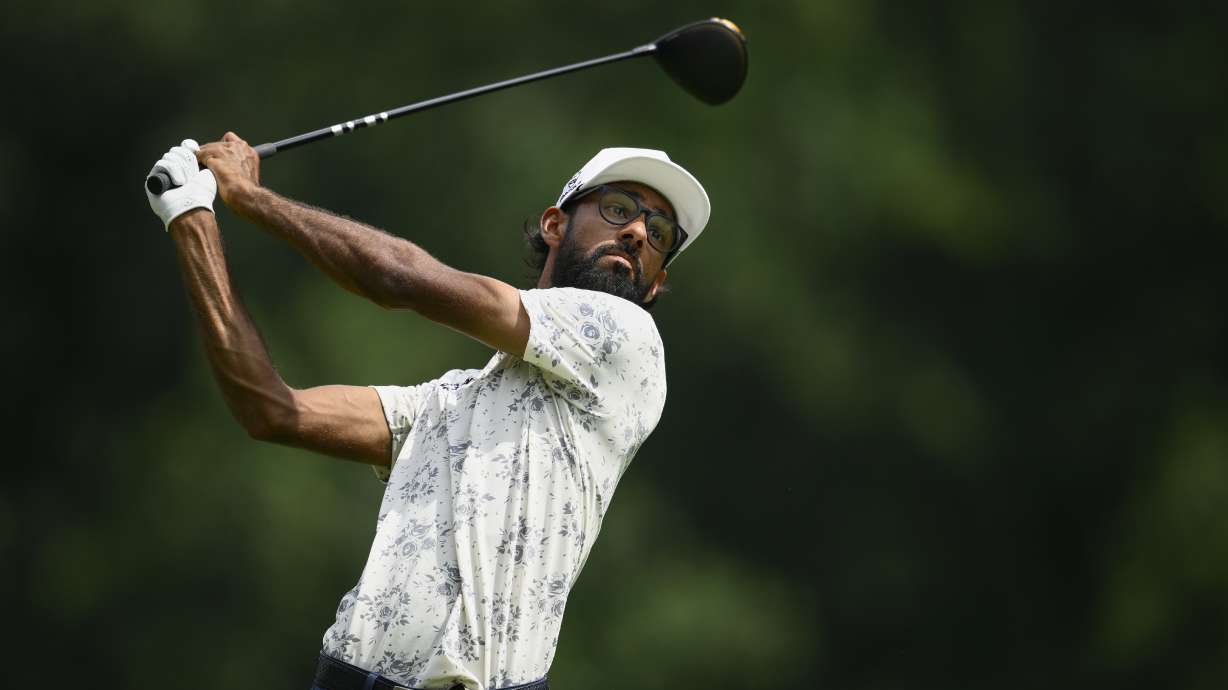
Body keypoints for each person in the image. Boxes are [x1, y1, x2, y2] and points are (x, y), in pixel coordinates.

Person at [144, 133, 710, 690]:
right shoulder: (449, 404)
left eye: (659, 233)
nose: (637, 232)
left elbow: (402, 280)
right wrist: (192, 220)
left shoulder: (630, 338)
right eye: (618, 209)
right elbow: (269, 410)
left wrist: (249, 197)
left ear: (657, 283)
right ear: (555, 224)